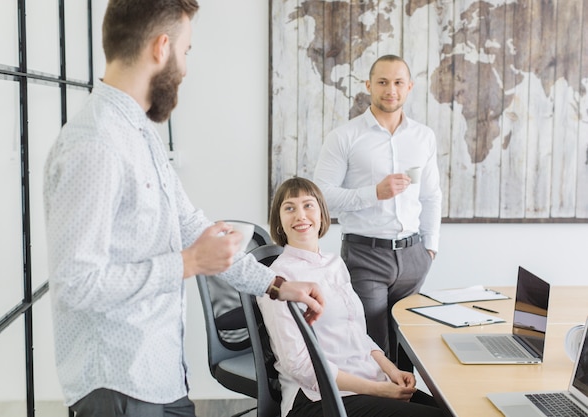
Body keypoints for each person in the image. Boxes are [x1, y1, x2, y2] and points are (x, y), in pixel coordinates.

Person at [42, 1, 324, 416]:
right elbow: (77, 284)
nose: (187, 68)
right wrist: (189, 263)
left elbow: (192, 226)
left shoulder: (140, 134)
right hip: (118, 386)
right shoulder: (96, 143)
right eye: (186, 50)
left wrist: (276, 286)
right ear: (161, 47)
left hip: (161, 376)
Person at [257, 177, 443, 417]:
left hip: (365, 381)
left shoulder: (335, 264)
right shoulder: (278, 280)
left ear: (322, 215)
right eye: (289, 208)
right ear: (279, 222)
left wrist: (392, 371)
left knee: (453, 410)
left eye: (308, 205)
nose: (301, 215)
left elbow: (357, 334)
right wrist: (379, 390)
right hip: (318, 398)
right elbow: (300, 366)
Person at [313, 54, 442, 359]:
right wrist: (375, 193)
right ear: (369, 85)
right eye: (382, 82)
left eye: (398, 82)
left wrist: (430, 247)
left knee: (408, 348)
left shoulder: (424, 137)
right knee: (374, 346)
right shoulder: (344, 137)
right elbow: (322, 197)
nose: (390, 89)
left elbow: (431, 195)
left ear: (409, 87)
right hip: (366, 256)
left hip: (413, 257)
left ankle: (410, 407)